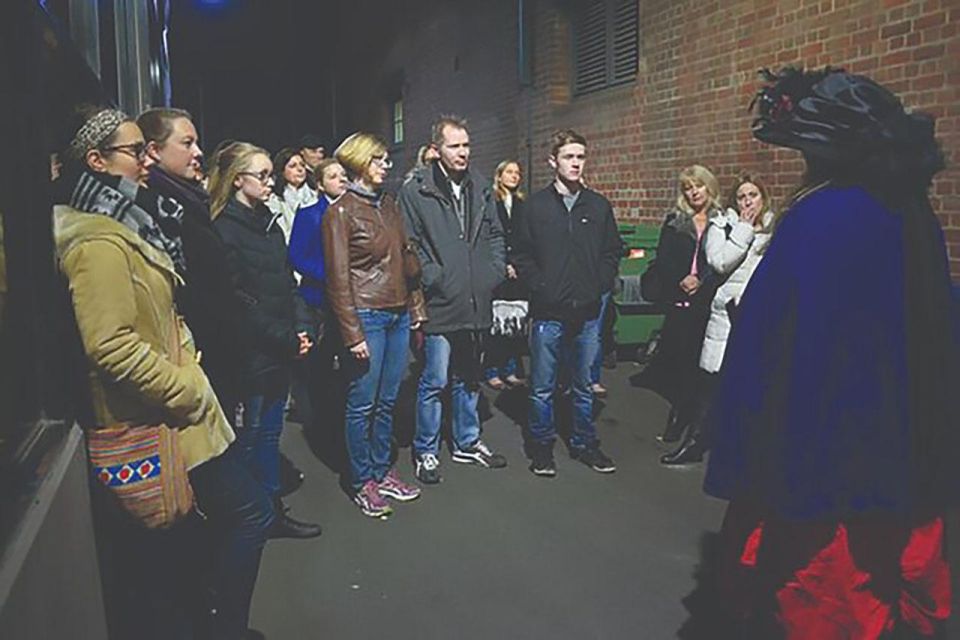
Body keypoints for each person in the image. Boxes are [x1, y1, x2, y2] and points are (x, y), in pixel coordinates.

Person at [704, 68, 956, 638]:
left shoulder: (817, 219)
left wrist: (742, 442)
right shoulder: (915, 215)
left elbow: (766, 346)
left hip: (821, 461)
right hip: (902, 446)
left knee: (824, 604)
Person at [54, 106, 272, 639]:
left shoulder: (124, 220)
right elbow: (109, 344)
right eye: (134, 151)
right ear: (97, 161)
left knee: (171, 558)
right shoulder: (99, 239)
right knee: (248, 514)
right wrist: (187, 388)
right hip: (158, 419)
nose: (146, 160)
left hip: (169, 418)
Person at [209, 141, 322, 540]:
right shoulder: (223, 229)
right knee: (249, 435)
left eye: (269, 174)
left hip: (281, 347)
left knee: (271, 434)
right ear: (238, 180)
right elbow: (239, 304)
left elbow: (288, 283)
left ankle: (271, 512)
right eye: (262, 175)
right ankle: (249, 515)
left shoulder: (269, 223)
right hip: (252, 354)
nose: (269, 181)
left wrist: (301, 329)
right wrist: (285, 339)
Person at [399, 115, 509, 485]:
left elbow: (495, 234)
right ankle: (426, 450)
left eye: (466, 145)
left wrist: (493, 271)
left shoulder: (480, 186)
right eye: (454, 146)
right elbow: (409, 243)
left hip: (476, 297)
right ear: (436, 150)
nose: (463, 153)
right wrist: (435, 277)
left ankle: (467, 440)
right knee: (434, 379)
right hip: (441, 300)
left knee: (469, 376)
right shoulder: (416, 190)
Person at [323, 132, 427, 517]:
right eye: (378, 159)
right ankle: (361, 480)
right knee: (361, 404)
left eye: (386, 159)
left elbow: (405, 261)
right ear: (360, 162)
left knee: (387, 401)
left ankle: (383, 471)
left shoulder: (389, 204)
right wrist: (352, 334)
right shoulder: (340, 212)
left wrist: (416, 310)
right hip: (366, 314)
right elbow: (337, 279)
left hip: (397, 312)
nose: (386, 165)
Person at [510, 129, 623, 477]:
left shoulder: (598, 205)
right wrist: (541, 286)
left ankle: (584, 443)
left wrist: (598, 283)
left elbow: (611, 251)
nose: (575, 163)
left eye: (580, 157)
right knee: (542, 386)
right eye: (568, 157)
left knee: (583, 386)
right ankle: (542, 448)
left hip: (587, 311)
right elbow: (521, 254)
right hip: (548, 312)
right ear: (553, 161)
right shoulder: (535, 207)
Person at [661, 174, 776, 466]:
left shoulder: (777, 228)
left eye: (753, 195)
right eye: (741, 197)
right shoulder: (722, 226)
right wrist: (743, 228)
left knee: (755, 384)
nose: (748, 201)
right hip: (727, 313)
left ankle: (749, 448)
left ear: (763, 198)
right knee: (710, 383)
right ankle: (695, 442)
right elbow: (719, 261)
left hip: (761, 313)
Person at [634, 165, 723, 446]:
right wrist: (681, 279)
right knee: (684, 363)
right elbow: (664, 259)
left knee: (706, 367)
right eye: (687, 187)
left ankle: (701, 423)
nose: (693, 192)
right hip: (682, 298)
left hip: (709, 298)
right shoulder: (675, 221)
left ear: (709, 187)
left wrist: (702, 280)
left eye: (698, 186)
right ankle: (680, 418)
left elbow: (726, 260)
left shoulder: (723, 220)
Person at [287, 158, 349, 430]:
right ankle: (315, 417)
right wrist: (328, 275)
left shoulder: (352, 212)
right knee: (318, 363)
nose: (341, 180)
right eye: (333, 176)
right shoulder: (310, 213)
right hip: (317, 299)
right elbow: (297, 255)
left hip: (348, 300)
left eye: (343, 175)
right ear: (321, 184)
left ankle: (338, 414)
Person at [482, 159, 528, 390]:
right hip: (498, 270)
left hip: (517, 272)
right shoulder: (491, 201)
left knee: (514, 323)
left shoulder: (521, 203)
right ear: (499, 176)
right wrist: (503, 264)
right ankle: (492, 370)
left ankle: (510, 370)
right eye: (509, 172)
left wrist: (518, 263)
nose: (514, 176)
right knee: (496, 324)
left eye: (517, 173)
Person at [266, 147, 318, 244]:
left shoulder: (317, 195)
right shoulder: (275, 200)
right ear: (282, 171)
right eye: (292, 166)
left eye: (302, 165)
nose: (300, 169)